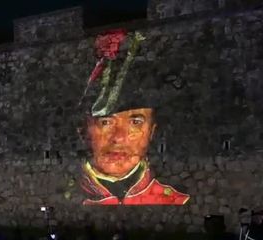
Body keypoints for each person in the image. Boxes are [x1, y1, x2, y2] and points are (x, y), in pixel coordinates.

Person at [79, 29, 189, 205]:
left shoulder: (177, 200)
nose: (119, 137)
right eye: (106, 122)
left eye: (135, 122)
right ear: (84, 130)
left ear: (151, 131)